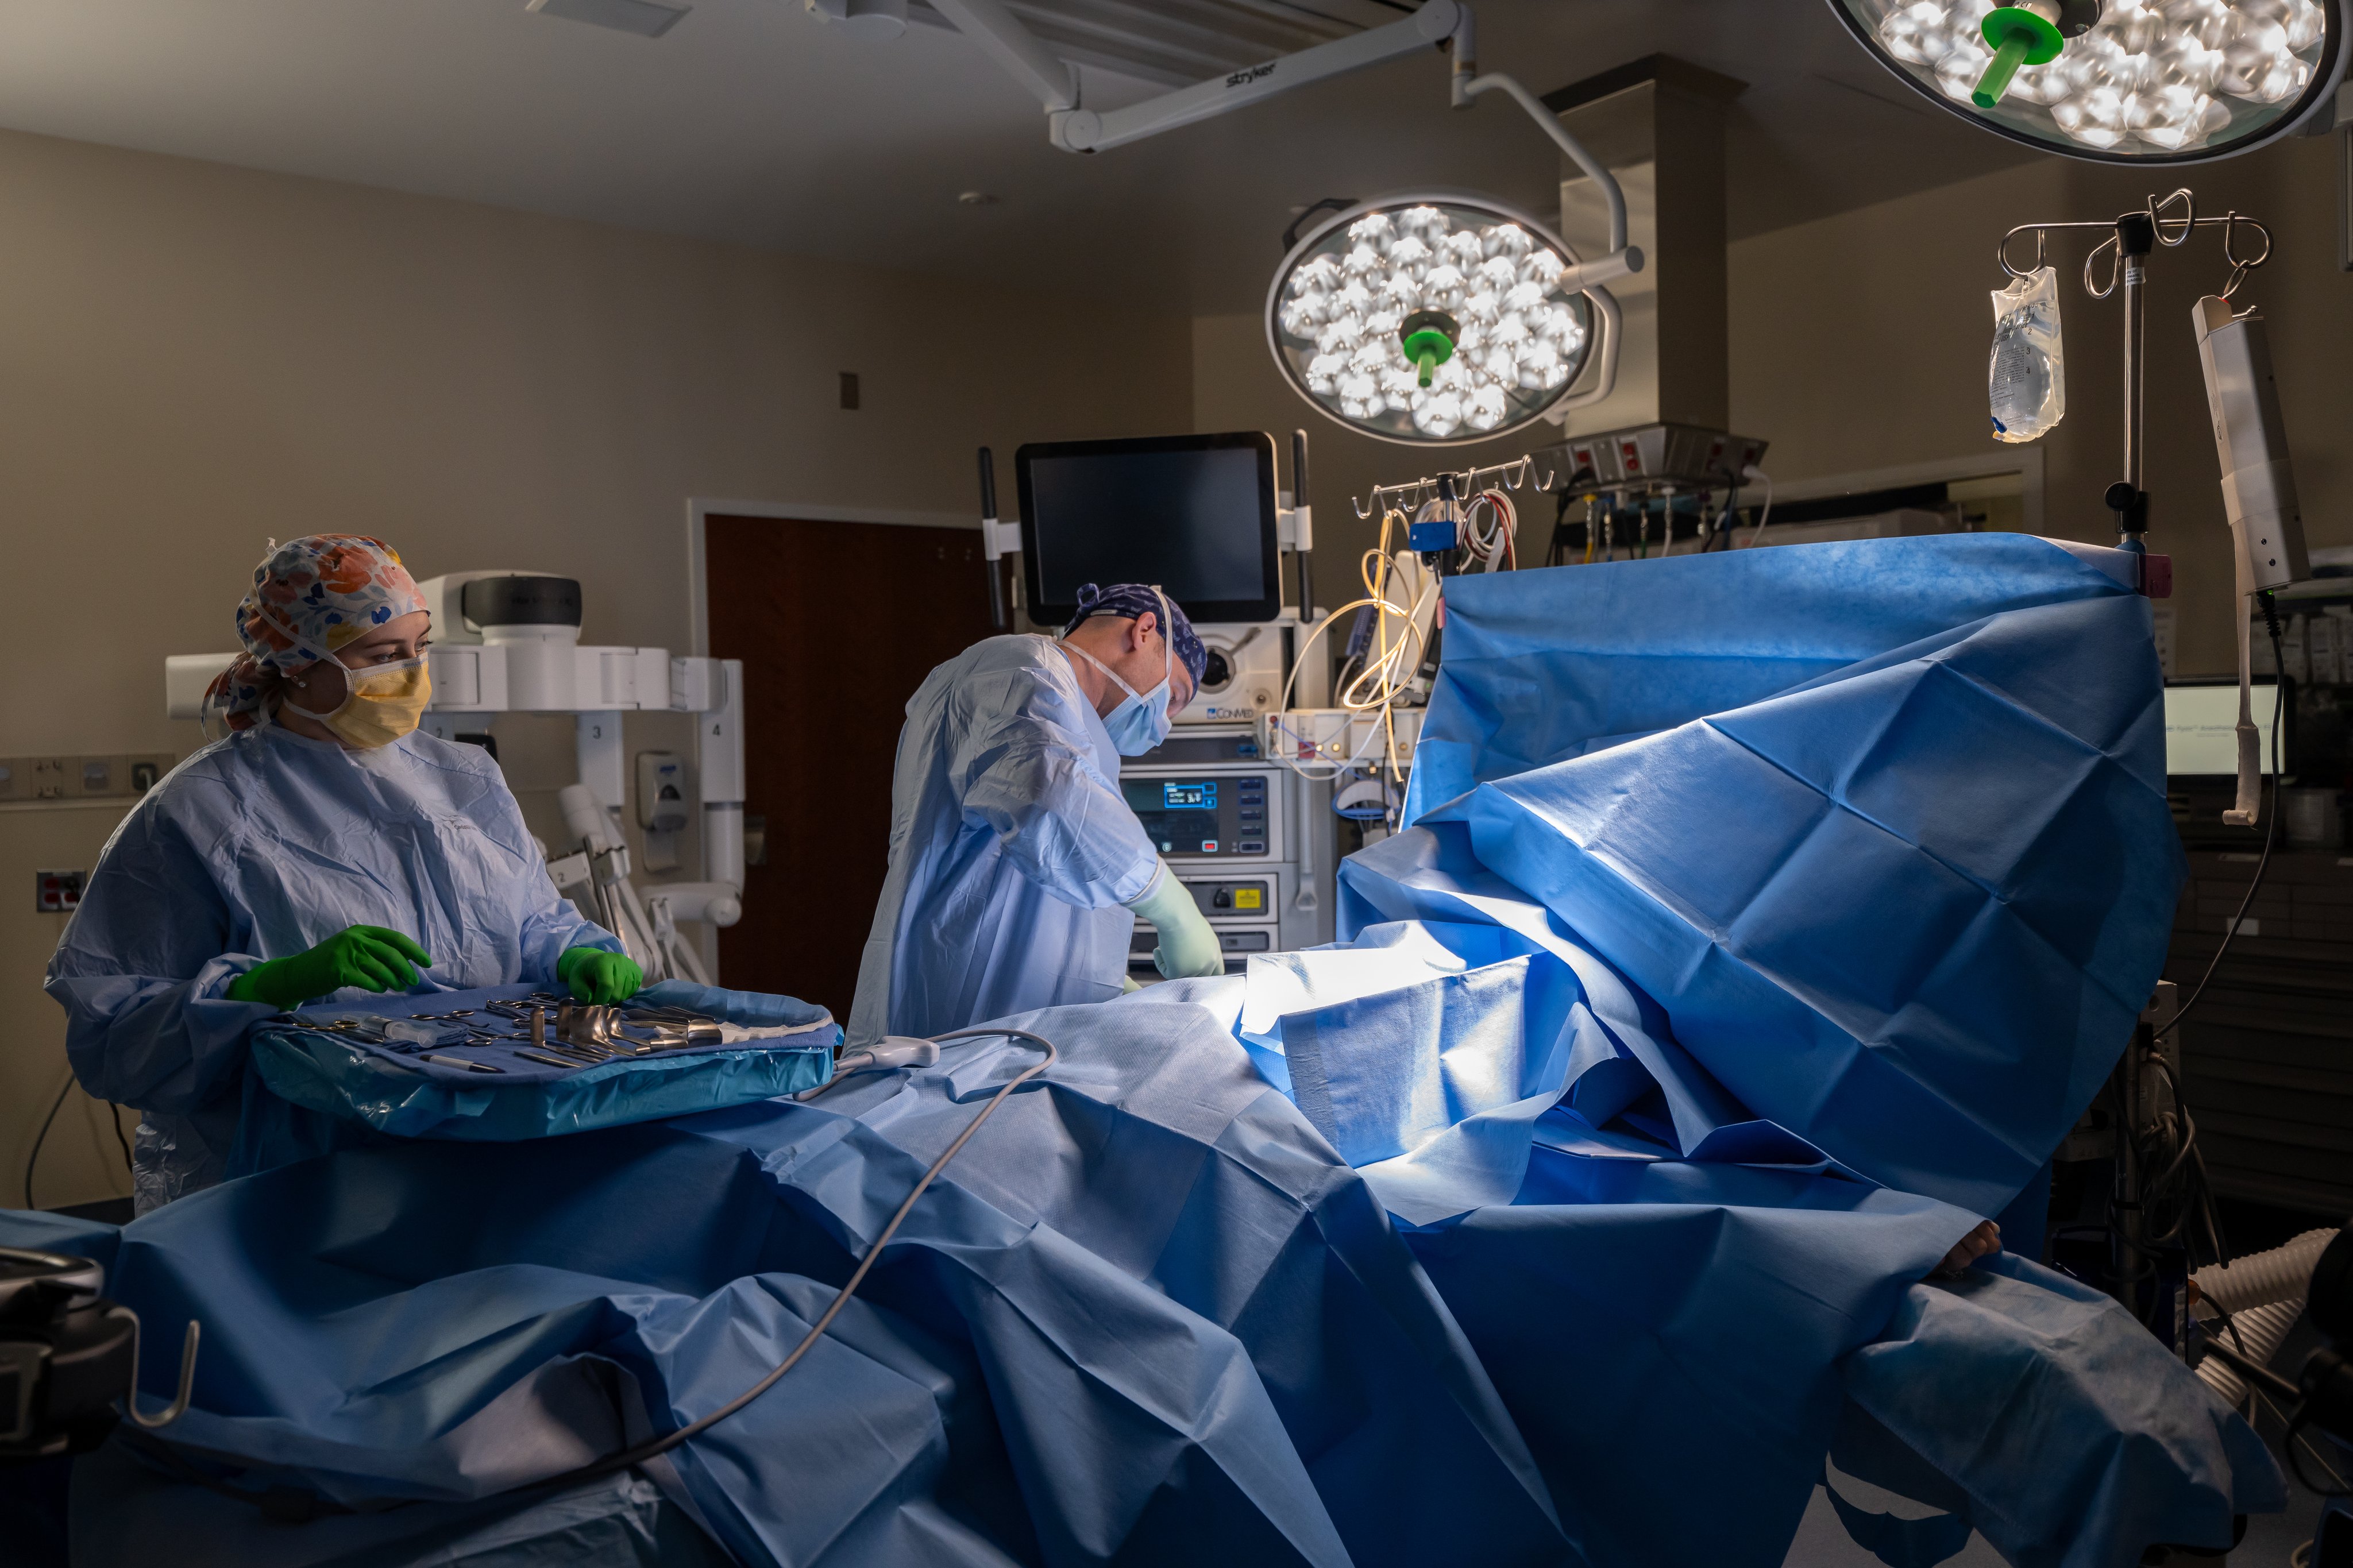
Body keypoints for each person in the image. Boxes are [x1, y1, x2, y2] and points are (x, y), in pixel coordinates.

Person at [45, 535, 642, 1212]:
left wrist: (579, 951)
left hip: (476, 1157)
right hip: (284, 1183)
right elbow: (113, 1037)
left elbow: (530, 918)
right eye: (383, 657)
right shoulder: (201, 809)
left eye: (421, 649)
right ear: (299, 665)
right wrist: (270, 985)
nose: (412, 673)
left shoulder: (465, 778)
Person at [850, 582, 1226, 1044]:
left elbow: (1039, 881)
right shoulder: (1018, 669)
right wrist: (1175, 911)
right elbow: (1053, 802)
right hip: (956, 1021)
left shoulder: (1071, 719)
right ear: (1144, 631)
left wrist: (1103, 983)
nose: (1163, 726)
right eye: (1175, 696)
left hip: (1008, 1022)